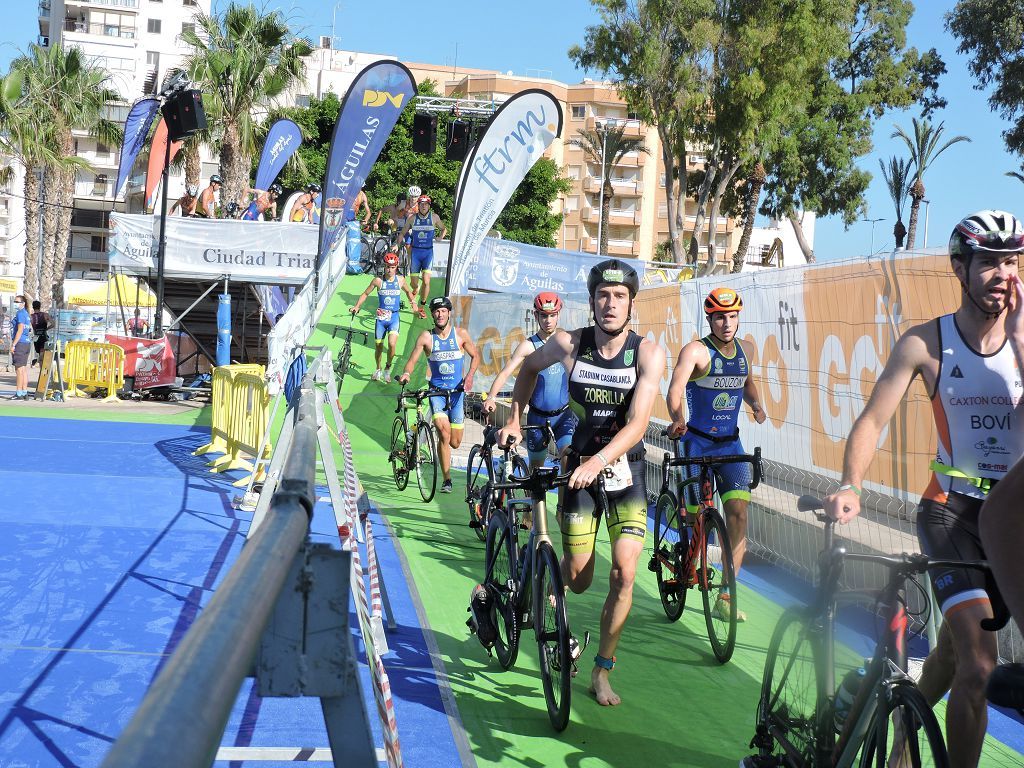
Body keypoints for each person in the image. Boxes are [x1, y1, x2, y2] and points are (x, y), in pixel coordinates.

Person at [824, 210, 1024, 768]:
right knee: (980, 664)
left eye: (1012, 261)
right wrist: (850, 485)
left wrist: (1022, 343)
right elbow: (871, 419)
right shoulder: (923, 342)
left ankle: (901, 741)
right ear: (959, 268)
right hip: (951, 514)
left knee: (949, 652)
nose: (1003, 274)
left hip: (1012, 521)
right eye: (989, 261)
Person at [498, 259, 666, 708]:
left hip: (625, 470)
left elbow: (638, 423)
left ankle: (601, 670)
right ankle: (538, 582)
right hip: (577, 469)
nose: (610, 305)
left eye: (620, 297)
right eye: (603, 296)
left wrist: (601, 461)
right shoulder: (569, 343)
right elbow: (528, 370)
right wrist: (515, 419)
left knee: (625, 573)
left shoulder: (647, 353)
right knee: (578, 578)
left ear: (631, 303)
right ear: (592, 301)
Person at [665, 287, 767, 622]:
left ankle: (726, 595)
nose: (727, 323)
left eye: (733, 316)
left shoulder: (744, 349)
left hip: (729, 445)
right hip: (695, 443)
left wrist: (755, 404)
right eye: (720, 317)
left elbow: (747, 382)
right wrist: (678, 418)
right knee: (694, 515)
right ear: (709, 318)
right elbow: (676, 387)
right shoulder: (697, 351)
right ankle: (685, 557)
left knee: (738, 515)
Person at [484, 291, 577, 473]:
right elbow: (505, 373)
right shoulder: (528, 346)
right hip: (537, 417)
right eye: (543, 315)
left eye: (552, 315)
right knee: (537, 473)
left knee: (569, 462)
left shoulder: (567, 342)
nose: (548, 320)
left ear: (559, 314)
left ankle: (562, 503)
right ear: (535, 315)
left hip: (564, 416)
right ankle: (535, 502)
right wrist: (491, 397)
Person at [397, 296, 480, 494]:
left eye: (443, 311)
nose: (440, 314)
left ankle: (415, 431)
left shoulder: (460, 334)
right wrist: (407, 373)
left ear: (449, 313)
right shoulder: (426, 337)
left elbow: (476, 356)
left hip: (457, 393)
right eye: (436, 311)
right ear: (433, 314)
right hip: (437, 393)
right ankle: (447, 480)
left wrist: (469, 376)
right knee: (444, 434)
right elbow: (412, 360)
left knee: (455, 441)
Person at [349, 250, 425, 382]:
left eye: (393, 267)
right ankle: (378, 369)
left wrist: (413, 305)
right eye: (388, 267)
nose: (390, 270)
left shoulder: (400, 280)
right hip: (381, 319)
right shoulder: (378, 281)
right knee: (378, 346)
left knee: (392, 344)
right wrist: (357, 306)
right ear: (384, 266)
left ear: (396, 267)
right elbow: (365, 294)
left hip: (394, 318)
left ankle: (387, 369)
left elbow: (408, 292)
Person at [395, 195, 447, 306]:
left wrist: (440, 237)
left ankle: (422, 304)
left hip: (428, 253)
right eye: (421, 204)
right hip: (416, 253)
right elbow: (402, 233)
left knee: (426, 280)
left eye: (426, 204)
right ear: (418, 205)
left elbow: (443, 229)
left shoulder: (434, 217)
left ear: (429, 206)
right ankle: (416, 288)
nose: (424, 206)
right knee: (413, 283)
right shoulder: (412, 218)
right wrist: (397, 244)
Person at [10, 294, 32, 400]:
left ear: (23, 303)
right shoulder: (26, 314)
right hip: (26, 343)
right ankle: (24, 392)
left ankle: (19, 393)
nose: (15, 304)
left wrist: (13, 344)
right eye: (14, 302)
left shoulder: (20, 313)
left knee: (19, 369)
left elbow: (20, 330)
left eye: (17, 302)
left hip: (21, 344)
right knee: (23, 369)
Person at [29, 300, 51, 367]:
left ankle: (41, 371)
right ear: (40, 306)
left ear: (33, 307)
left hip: (36, 338)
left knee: (41, 356)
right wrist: (46, 329)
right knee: (42, 357)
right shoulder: (45, 315)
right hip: (43, 337)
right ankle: (42, 373)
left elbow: (28, 327)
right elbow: (53, 324)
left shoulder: (30, 316)